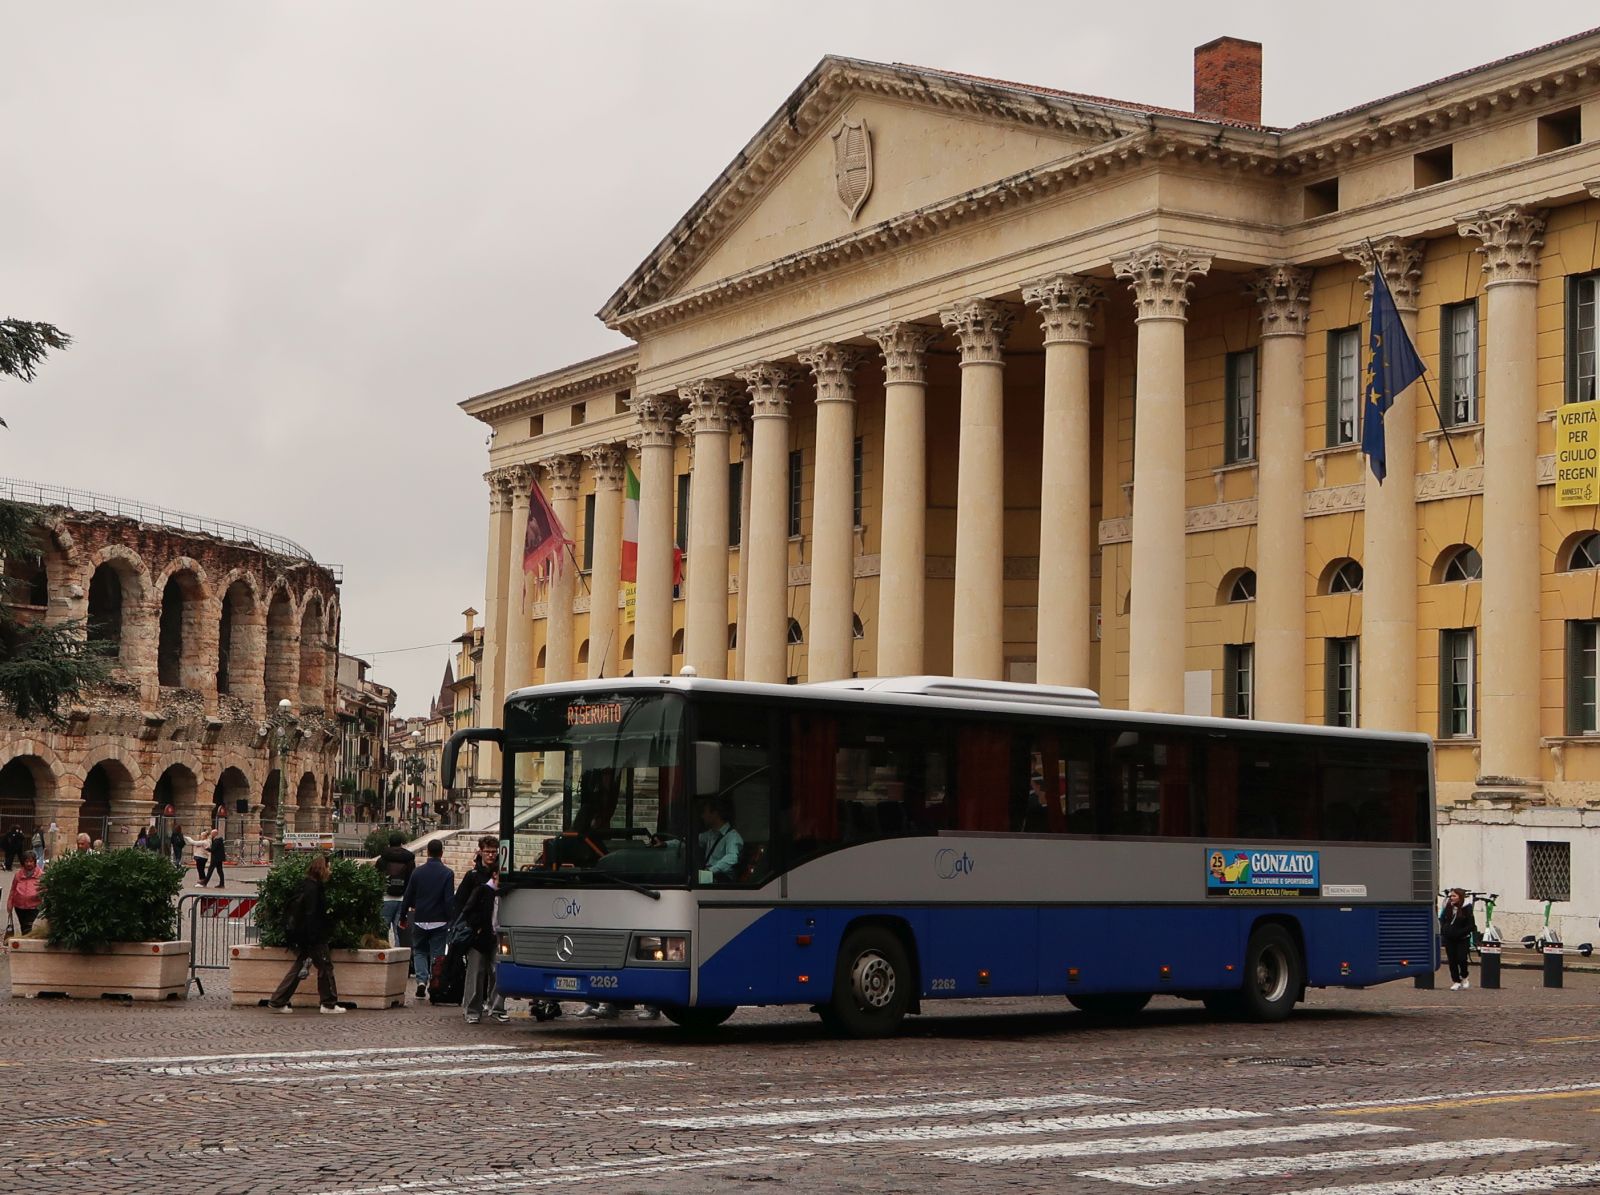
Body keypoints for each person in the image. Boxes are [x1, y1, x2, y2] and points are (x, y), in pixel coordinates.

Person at [267, 853, 343, 1014]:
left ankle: (278, 1000)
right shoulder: (314, 888)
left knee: (300, 966)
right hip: (313, 936)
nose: (331, 871)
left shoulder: (305, 884)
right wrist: (315, 937)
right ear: (323, 868)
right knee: (325, 967)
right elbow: (312, 914)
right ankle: (328, 1003)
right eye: (329, 867)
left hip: (302, 934)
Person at [400, 838, 455, 1001]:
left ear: (428, 853)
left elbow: (408, 895)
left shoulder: (418, 872)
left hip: (420, 918)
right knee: (437, 954)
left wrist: (403, 916)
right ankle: (435, 981)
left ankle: (421, 981)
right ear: (441, 853)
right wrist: (451, 919)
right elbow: (449, 899)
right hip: (439, 919)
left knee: (419, 951)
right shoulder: (447, 873)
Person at [459, 861, 506, 1024]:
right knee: (476, 974)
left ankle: (497, 1007)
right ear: (495, 874)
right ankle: (472, 1010)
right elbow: (468, 910)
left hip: (497, 937)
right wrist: (476, 927)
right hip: (479, 938)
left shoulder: (504, 893)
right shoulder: (482, 890)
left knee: (498, 972)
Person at [377, 831, 415, 945]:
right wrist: (412, 902)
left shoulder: (382, 859)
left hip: (385, 899)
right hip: (403, 900)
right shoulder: (409, 860)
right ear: (401, 844)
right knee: (400, 932)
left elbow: (377, 878)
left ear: (389, 844)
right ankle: (400, 959)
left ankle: (384, 957)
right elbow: (412, 881)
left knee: (383, 931)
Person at [695, 797, 743, 884]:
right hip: (709, 877)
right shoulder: (711, 834)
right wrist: (666, 844)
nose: (702, 816)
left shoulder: (732, 836)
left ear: (715, 813)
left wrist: (710, 871)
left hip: (721, 882)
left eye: (705, 812)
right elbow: (690, 841)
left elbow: (732, 857)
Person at [1440, 887, 1476, 991]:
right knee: (1452, 960)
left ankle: (1464, 976)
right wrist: (1444, 930)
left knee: (1461, 959)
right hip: (1449, 938)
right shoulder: (1448, 906)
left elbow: (1471, 925)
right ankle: (1456, 981)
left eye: (1454, 896)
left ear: (1460, 897)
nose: (1451, 898)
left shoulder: (1467, 908)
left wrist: (1460, 933)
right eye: (1451, 896)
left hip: (1462, 938)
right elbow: (1443, 919)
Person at [6, 851, 42, 935]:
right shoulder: (18, 875)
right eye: (26, 861)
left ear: (34, 862)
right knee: (23, 926)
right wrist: (9, 903)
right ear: (23, 862)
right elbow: (13, 889)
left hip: (34, 906)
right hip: (19, 906)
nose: (29, 864)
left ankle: (27, 944)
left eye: (31, 861)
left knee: (28, 926)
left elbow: (45, 890)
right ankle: (25, 942)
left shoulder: (41, 875)